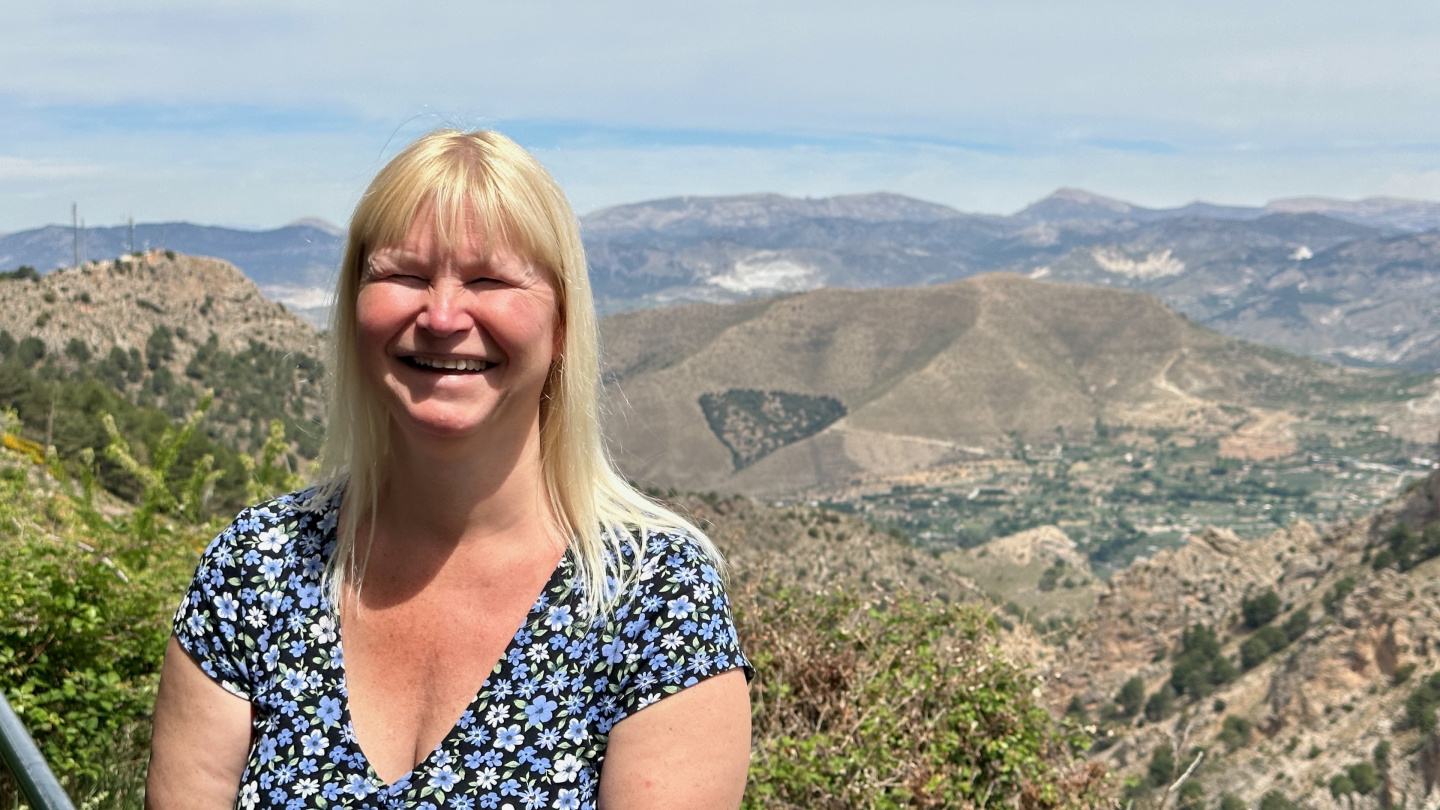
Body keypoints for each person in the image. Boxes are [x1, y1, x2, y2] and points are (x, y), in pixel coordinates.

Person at [146, 130, 753, 809]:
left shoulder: (654, 600)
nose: (440, 316)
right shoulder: (256, 569)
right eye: (404, 275)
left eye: (489, 280)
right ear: (353, 308)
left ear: (561, 326)